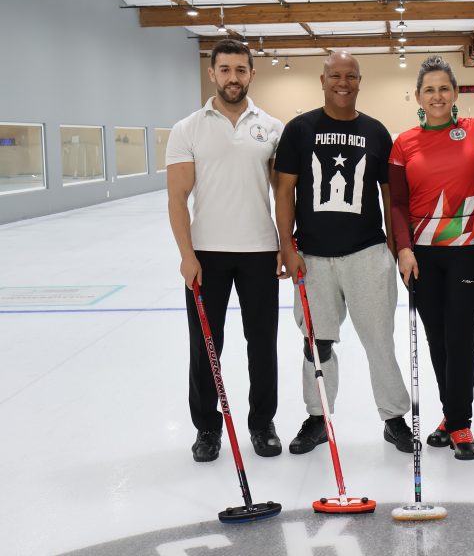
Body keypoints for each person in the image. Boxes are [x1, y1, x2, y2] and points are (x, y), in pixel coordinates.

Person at [274, 51, 413, 455]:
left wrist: (394, 245)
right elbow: (284, 191)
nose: (342, 82)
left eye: (350, 76)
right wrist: (287, 246)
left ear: (359, 81)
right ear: (322, 80)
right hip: (313, 258)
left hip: (366, 253)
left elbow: (390, 195)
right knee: (316, 343)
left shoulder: (376, 131)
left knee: (379, 342)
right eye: (335, 75)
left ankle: (393, 417)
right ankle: (318, 418)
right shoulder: (299, 130)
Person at [166, 39, 286, 463]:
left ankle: (262, 424)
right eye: (225, 69)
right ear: (212, 73)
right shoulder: (188, 128)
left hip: (259, 252)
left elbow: (283, 193)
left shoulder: (271, 128)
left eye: (240, 69)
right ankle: (206, 429)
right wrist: (187, 255)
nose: (233, 77)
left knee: (263, 344)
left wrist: (284, 245)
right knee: (205, 346)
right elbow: (177, 197)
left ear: (252, 74)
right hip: (206, 255)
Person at [388, 56, 474, 460]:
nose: (437, 96)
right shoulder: (404, 142)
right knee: (437, 340)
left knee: (460, 337)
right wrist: (403, 249)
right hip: (422, 258)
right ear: (418, 96)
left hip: (469, 252)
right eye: (429, 89)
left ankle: (460, 424)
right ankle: (452, 414)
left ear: (455, 93)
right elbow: (396, 203)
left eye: (444, 88)